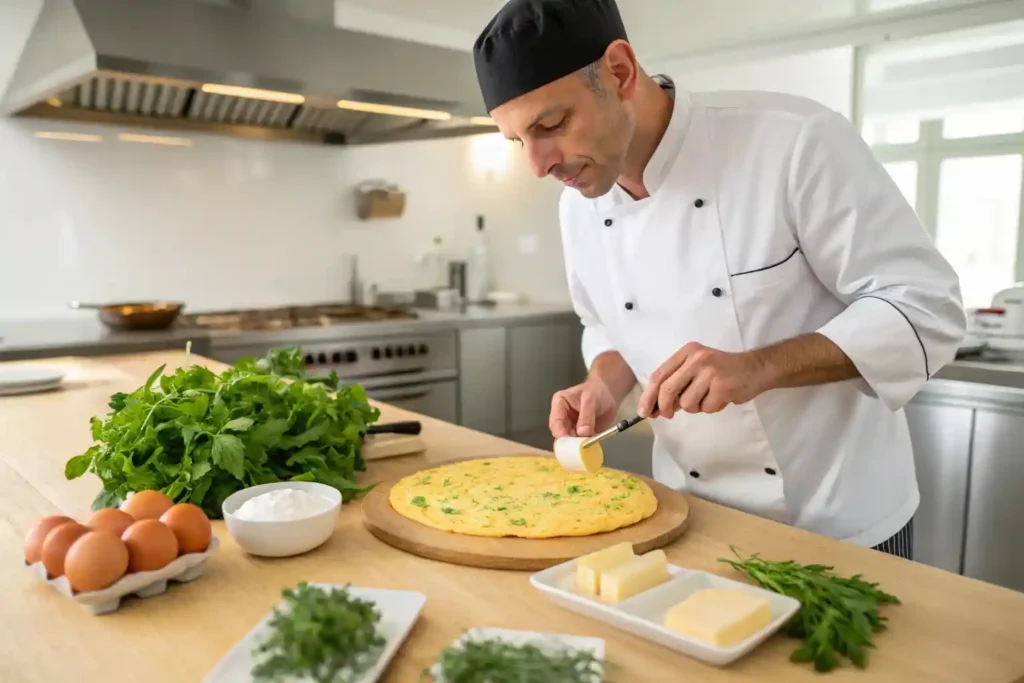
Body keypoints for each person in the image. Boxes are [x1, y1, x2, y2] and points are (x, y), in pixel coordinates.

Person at [472, 0, 966, 559]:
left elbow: (926, 308)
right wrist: (604, 384)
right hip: (689, 520)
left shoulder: (795, 142)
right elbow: (605, 323)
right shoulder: (578, 205)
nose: (538, 166)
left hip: (837, 526)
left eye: (551, 125)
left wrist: (757, 367)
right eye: (518, 141)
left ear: (620, 71)